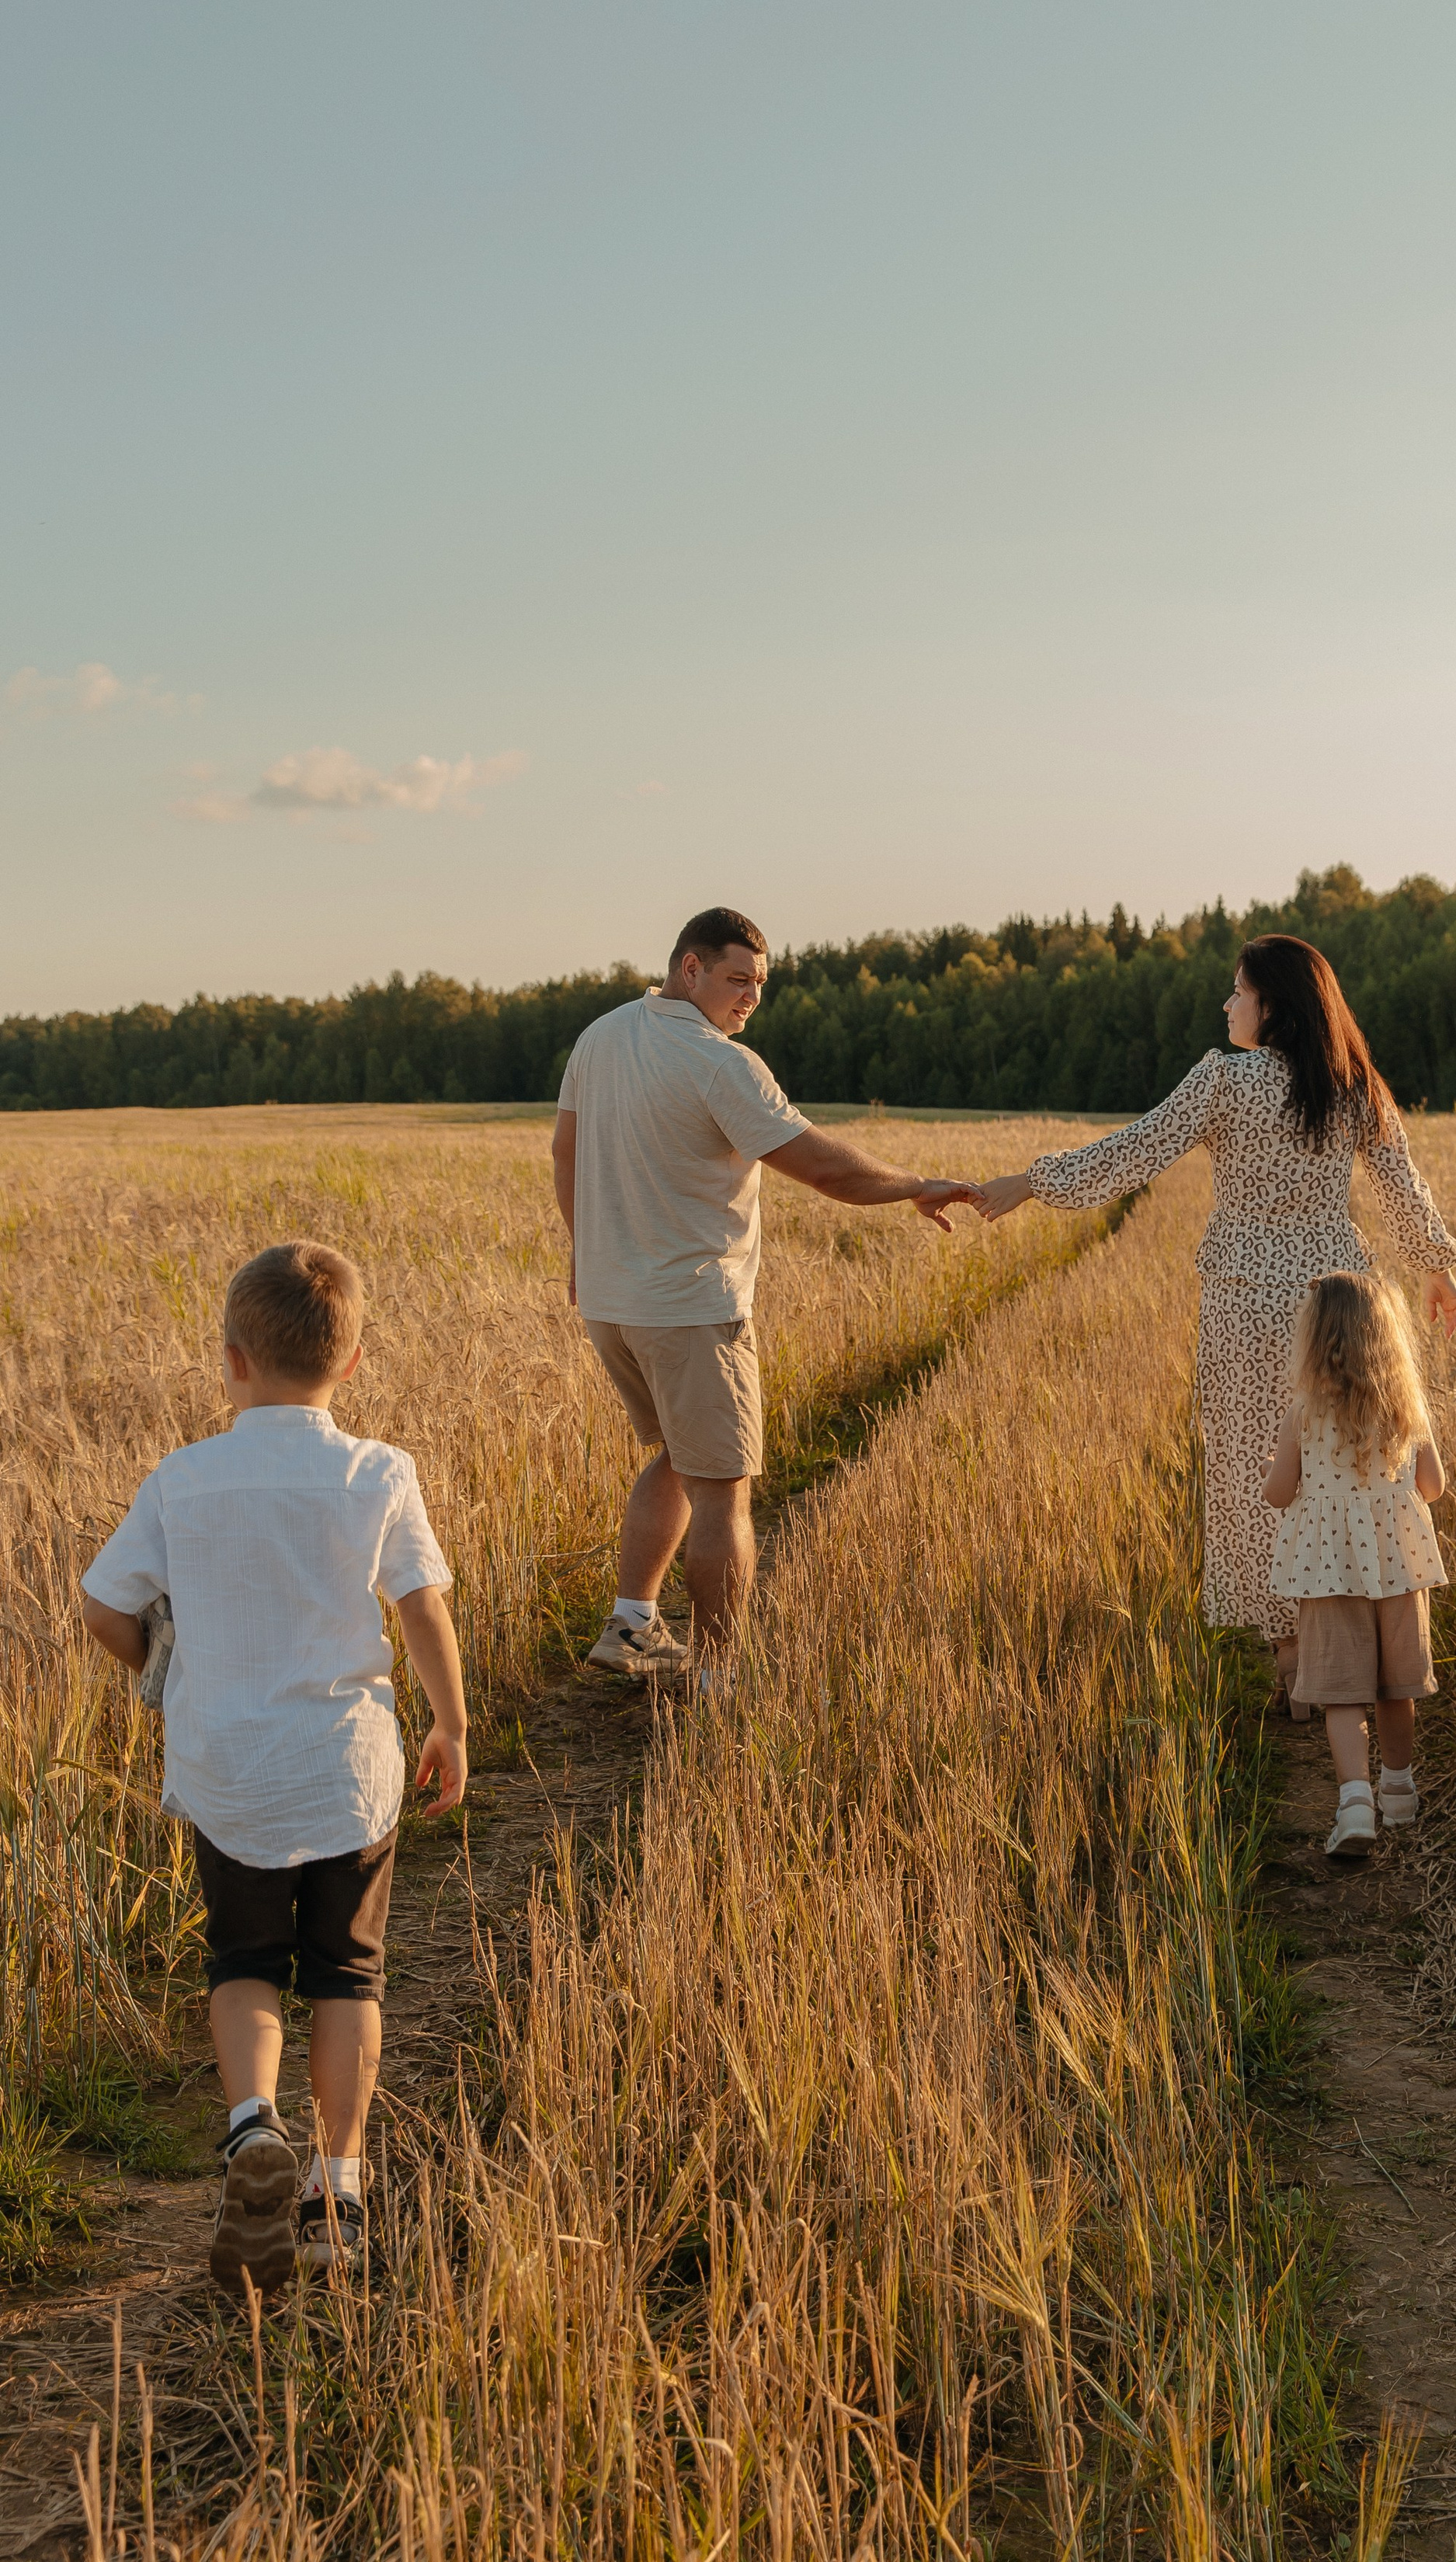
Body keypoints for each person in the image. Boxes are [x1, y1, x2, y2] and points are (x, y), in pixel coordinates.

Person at [78, 1242, 467, 2294]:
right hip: (348, 1771)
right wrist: (452, 1725)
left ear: (231, 1361)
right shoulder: (379, 1471)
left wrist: (159, 1664)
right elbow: (421, 1603)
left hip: (229, 1769)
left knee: (244, 1961)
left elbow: (103, 1603)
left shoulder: (184, 1478)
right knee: (347, 1969)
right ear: (351, 1363)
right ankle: (336, 2190)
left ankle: (253, 2126)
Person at [980, 933, 1456, 1674]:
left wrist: (1033, 1181)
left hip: (1243, 1305)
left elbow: (1133, 1151)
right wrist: (1436, 1268)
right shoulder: (1356, 1085)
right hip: (1339, 1309)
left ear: (1272, 1007)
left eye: (1239, 991)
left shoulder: (1224, 1081)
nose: (1227, 1003)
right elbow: (1402, 1186)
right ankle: (1353, 1628)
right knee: (1344, 1463)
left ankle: (1292, 1654)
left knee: (1252, 1475)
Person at [552, 906, 985, 1685]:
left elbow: (565, 1150)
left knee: (680, 1460)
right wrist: (917, 1185)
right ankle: (718, 1673)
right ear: (690, 968)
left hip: (613, 1303)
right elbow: (827, 1171)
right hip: (690, 1307)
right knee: (723, 1487)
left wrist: (587, 1251)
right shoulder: (720, 1063)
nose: (750, 996)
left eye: (760, 982)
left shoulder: (602, 1035)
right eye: (736, 977)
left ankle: (631, 1625)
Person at [1261, 1270, 1447, 1861]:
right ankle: (1399, 1791)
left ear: (1315, 1340)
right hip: (1398, 1566)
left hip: (1327, 1569)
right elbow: (1434, 1486)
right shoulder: (1406, 1410)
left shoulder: (1304, 1414)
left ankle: (1355, 1804)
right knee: (1398, 1687)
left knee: (1342, 1690)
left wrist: (1288, 1470)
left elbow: (1278, 1493)